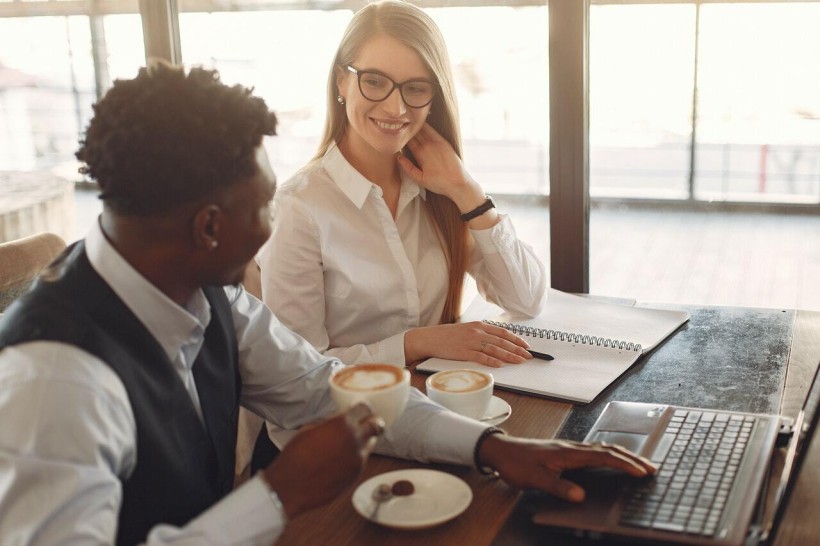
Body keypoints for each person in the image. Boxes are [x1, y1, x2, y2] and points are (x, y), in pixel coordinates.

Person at [0, 62, 654, 546]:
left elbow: (337, 392)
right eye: (263, 205)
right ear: (207, 227)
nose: (271, 222)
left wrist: (497, 448)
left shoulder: (208, 297)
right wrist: (276, 496)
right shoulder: (54, 381)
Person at [257, 0, 548, 371]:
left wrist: (467, 192)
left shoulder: (441, 188)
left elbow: (526, 300)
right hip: (351, 420)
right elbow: (299, 371)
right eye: (375, 81)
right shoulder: (299, 208)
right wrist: (418, 343)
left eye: (415, 88)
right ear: (341, 81)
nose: (396, 109)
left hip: (439, 400)